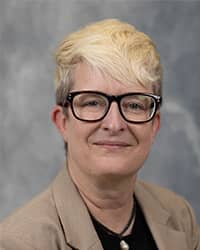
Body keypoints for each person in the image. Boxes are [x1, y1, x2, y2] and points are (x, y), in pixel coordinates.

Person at [0, 18, 199, 250]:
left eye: (133, 105)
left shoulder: (181, 217)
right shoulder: (19, 242)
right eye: (93, 102)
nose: (114, 124)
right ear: (63, 122)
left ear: (154, 125)